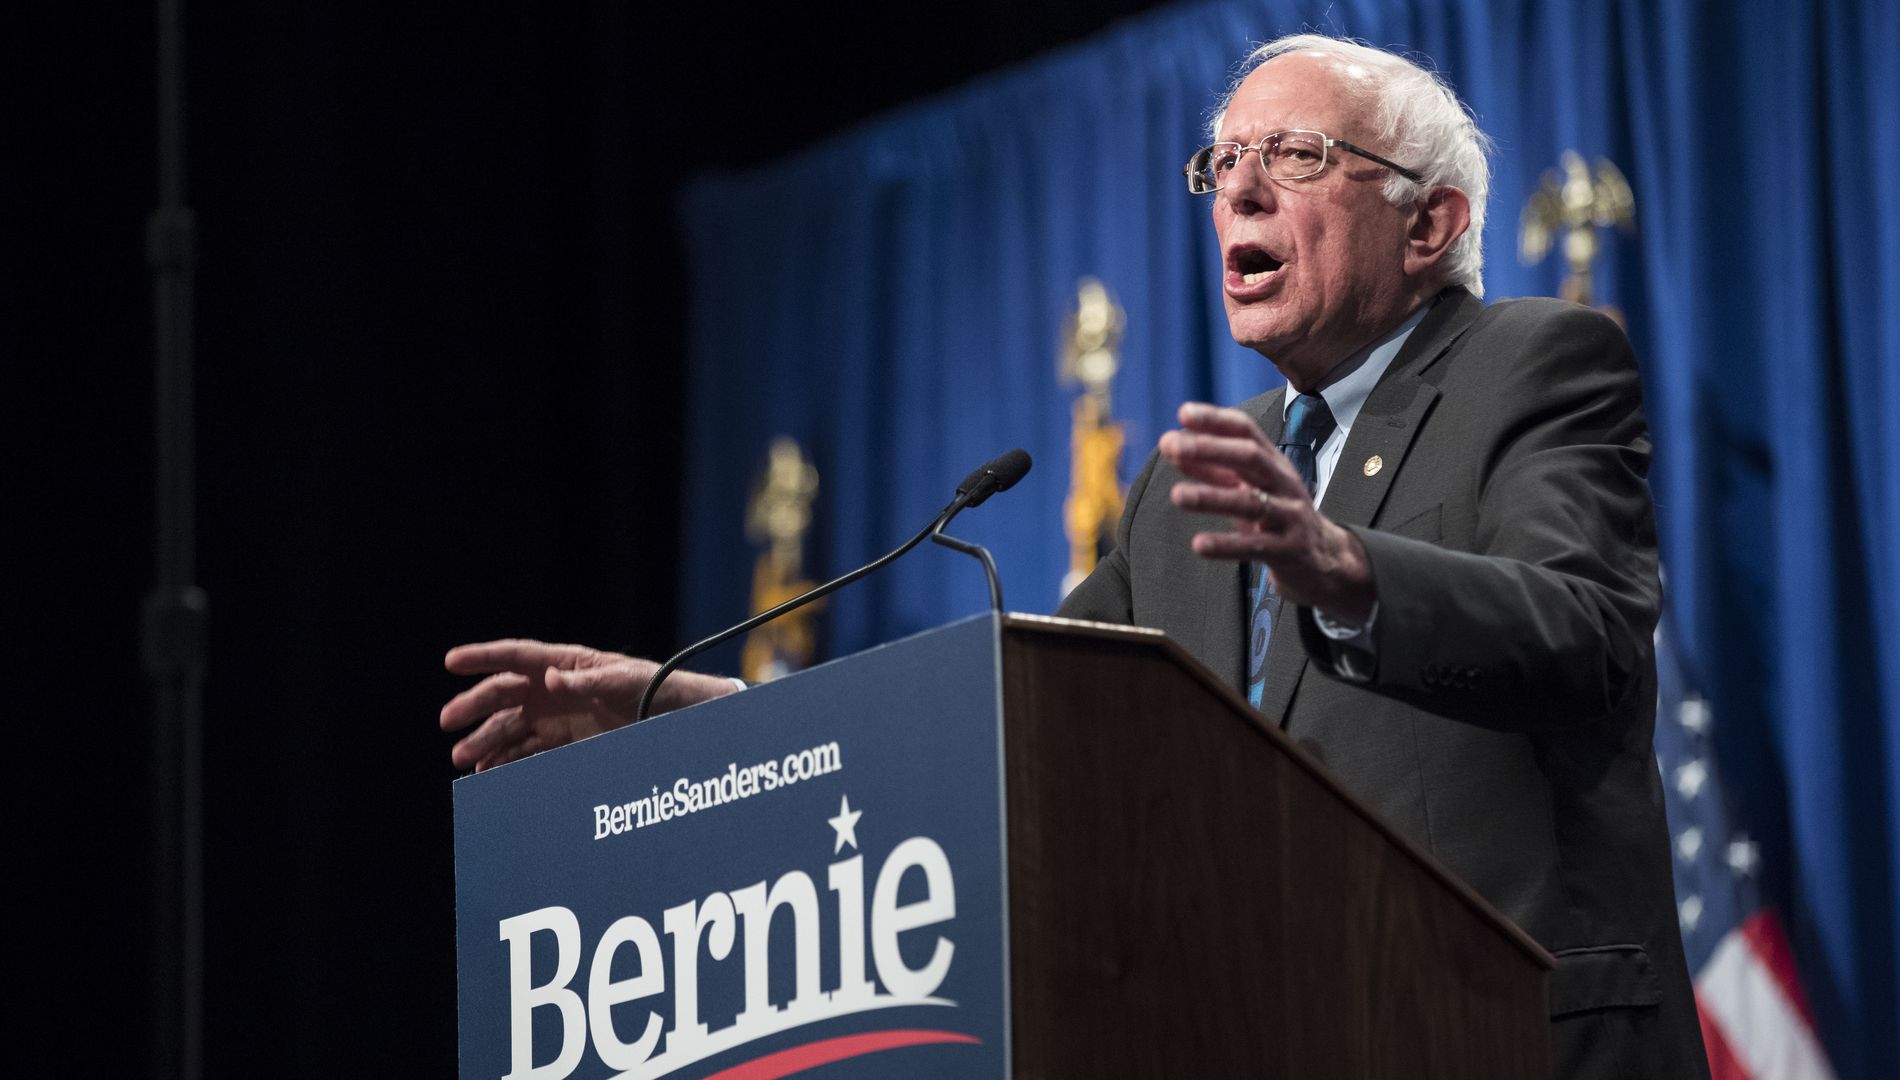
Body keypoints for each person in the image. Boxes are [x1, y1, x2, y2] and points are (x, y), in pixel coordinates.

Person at [440, 34, 1708, 1079]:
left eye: (1297, 156)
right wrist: (680, 709)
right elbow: (1005, 715)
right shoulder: (1182, 489)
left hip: (1507, 1039)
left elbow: (1585, 634)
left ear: (1431, 223)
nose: (1244, 191)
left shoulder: (1531, 365)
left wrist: (1344, 568)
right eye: (1225, 163)